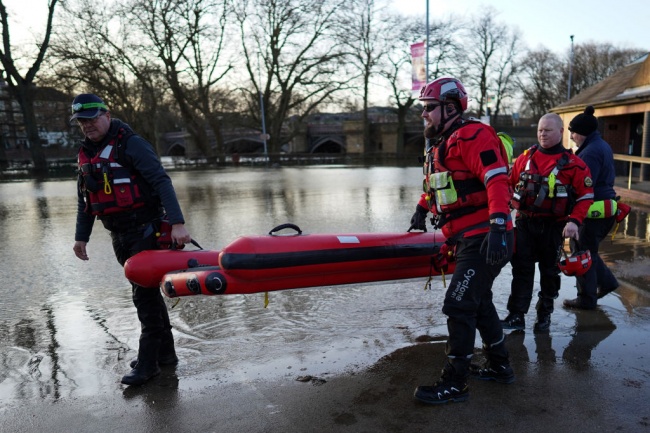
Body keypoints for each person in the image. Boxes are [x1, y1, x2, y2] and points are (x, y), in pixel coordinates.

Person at [71, 94, 192, 386]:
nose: (88, 126)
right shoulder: (87, 152)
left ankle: (148, 365)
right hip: (118, 235)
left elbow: (162, 181)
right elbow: (85, 199)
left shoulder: (131, 144)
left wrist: (177, 223)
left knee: (144, 298)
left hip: (145, 232)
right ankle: (165, 355)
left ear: (107, 115)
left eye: (92, 119)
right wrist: (81, 237)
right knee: (148, 296)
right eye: (82, 122)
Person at [408, 77, 515, 405]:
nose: (423, 114)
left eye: (429, 108)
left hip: (485, 236)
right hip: (468, 237)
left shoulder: (472, 135)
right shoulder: (440, 144)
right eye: (422, 109)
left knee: (458, 304)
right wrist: (421, 208)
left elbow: (496, 180)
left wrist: (498, 225)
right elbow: (442, 187)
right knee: (478, 302)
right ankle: (500, 367)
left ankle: (455, 384)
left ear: (450, 108)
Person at [500, 113, 593, 333]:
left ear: (561, 132)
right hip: (524, 224)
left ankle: (544, 315)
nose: (543, 134)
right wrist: (502, 209)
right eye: (540, 130)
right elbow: (507, 185)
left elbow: (585, 197)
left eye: (548, 130)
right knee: (521, 270)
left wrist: (574, 221)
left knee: (549, 273)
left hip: (555, 228)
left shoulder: (575, 165)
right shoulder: (525, 158)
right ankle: (516, 316)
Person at [564, 106, 619, 308]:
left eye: (573, 132)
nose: (571, 136)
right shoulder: (600, 145)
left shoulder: (590, 153)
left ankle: (586, 300)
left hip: (593, 211)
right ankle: (607, 283)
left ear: (583, 133)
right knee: (589, 252)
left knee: (582, 254)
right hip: (605, 208)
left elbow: (582, 186)